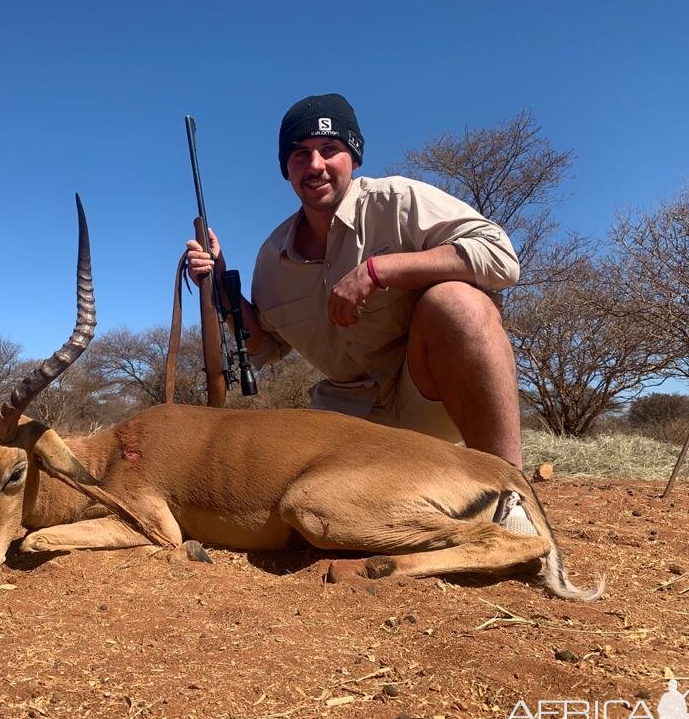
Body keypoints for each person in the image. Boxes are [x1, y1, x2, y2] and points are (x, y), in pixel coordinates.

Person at [185, 93, 523, 468]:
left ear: (354, 157)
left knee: (460, 302)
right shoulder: (271, 258)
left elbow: (500, 257)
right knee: (257, 479)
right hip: (343, 415)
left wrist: (378, 271)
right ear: (286, 168)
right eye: (300, 153)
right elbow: (266, 346)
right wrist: (217, 281)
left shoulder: (398, 199)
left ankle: (509, 493)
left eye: (329, 149)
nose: (315, 165)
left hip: (426, 399)